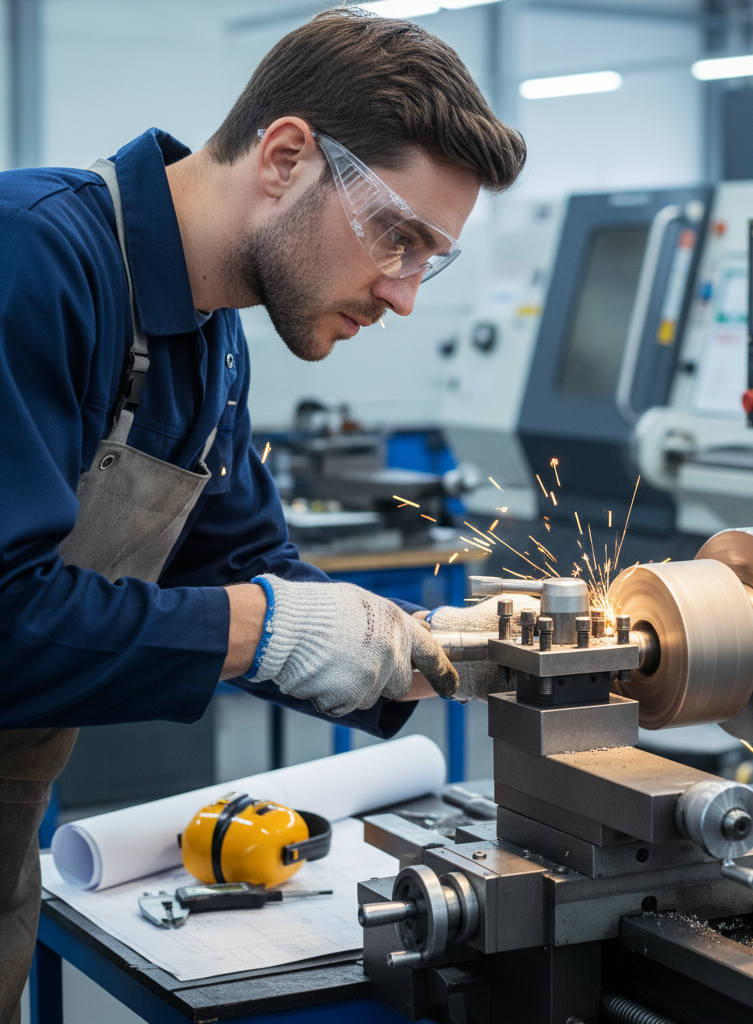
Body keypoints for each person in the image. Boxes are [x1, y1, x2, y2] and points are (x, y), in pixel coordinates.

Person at [0, 8, 530, 1022]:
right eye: (396, 237)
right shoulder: (31, 260)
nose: (405, 294)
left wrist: (441, 650)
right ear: (286, 156)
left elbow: (246, 562)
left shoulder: (214, 343)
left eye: (432, 259)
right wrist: (262, 629)